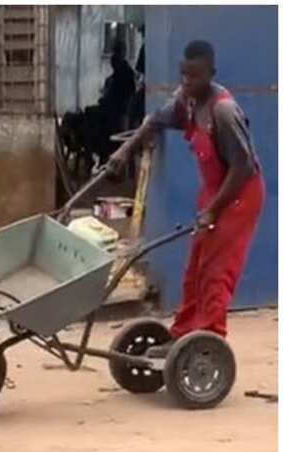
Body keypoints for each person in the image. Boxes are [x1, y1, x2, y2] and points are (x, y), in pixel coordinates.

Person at [109, 40, 265, 352]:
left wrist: (213, 210)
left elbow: (243, 167)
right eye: (183, 76)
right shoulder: (187, 101)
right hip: (214, 193)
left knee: (216, 271)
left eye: (194, 77)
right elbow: (154, 120)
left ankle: (208, 340)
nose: (186, 83)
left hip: (238, 196)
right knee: (195, 268)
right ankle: (184, 333)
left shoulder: (223, 111)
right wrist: (124, 151)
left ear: (211, 74)